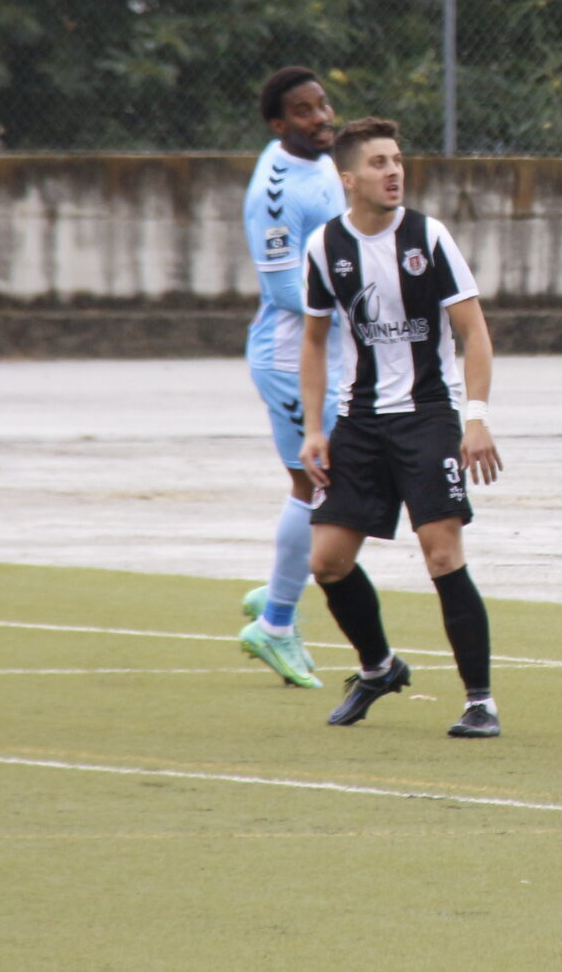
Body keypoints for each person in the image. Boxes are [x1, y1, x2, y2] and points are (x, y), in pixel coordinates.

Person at [297, 117, 505, 734]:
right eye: (379, 162)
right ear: (349, 177)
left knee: (441, 552)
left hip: (427, 417)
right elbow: (313, 341)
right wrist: (314, 429)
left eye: (397, 160)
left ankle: (479, 702)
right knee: (327, 561)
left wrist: (477, 418)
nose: (394, 171)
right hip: (358, 423)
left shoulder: (428, 237)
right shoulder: (325, 248)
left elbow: (474, 334)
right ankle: (380, 666)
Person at [235, 66, 346, 690]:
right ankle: (275, 622)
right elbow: (279, 286)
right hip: (290, 359)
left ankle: (277, 594)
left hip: (328, 357)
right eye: (304, 111)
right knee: (318, 488)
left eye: (323, 104)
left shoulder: (322, 160)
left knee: (322, 488)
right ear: (279, 125)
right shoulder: (275, 189)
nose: (321, 117)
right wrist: (361, 302)